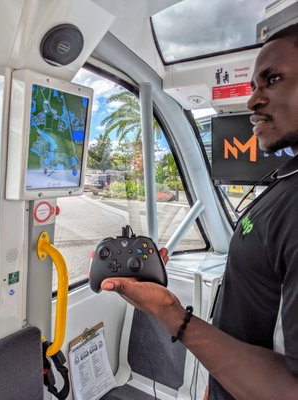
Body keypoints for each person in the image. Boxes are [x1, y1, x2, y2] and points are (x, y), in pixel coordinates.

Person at [101, 23, 298, 399]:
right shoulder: (286, 182)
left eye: (273, 80)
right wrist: (215, 386)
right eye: (254, 85)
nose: (253, 101)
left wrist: (173, 315)